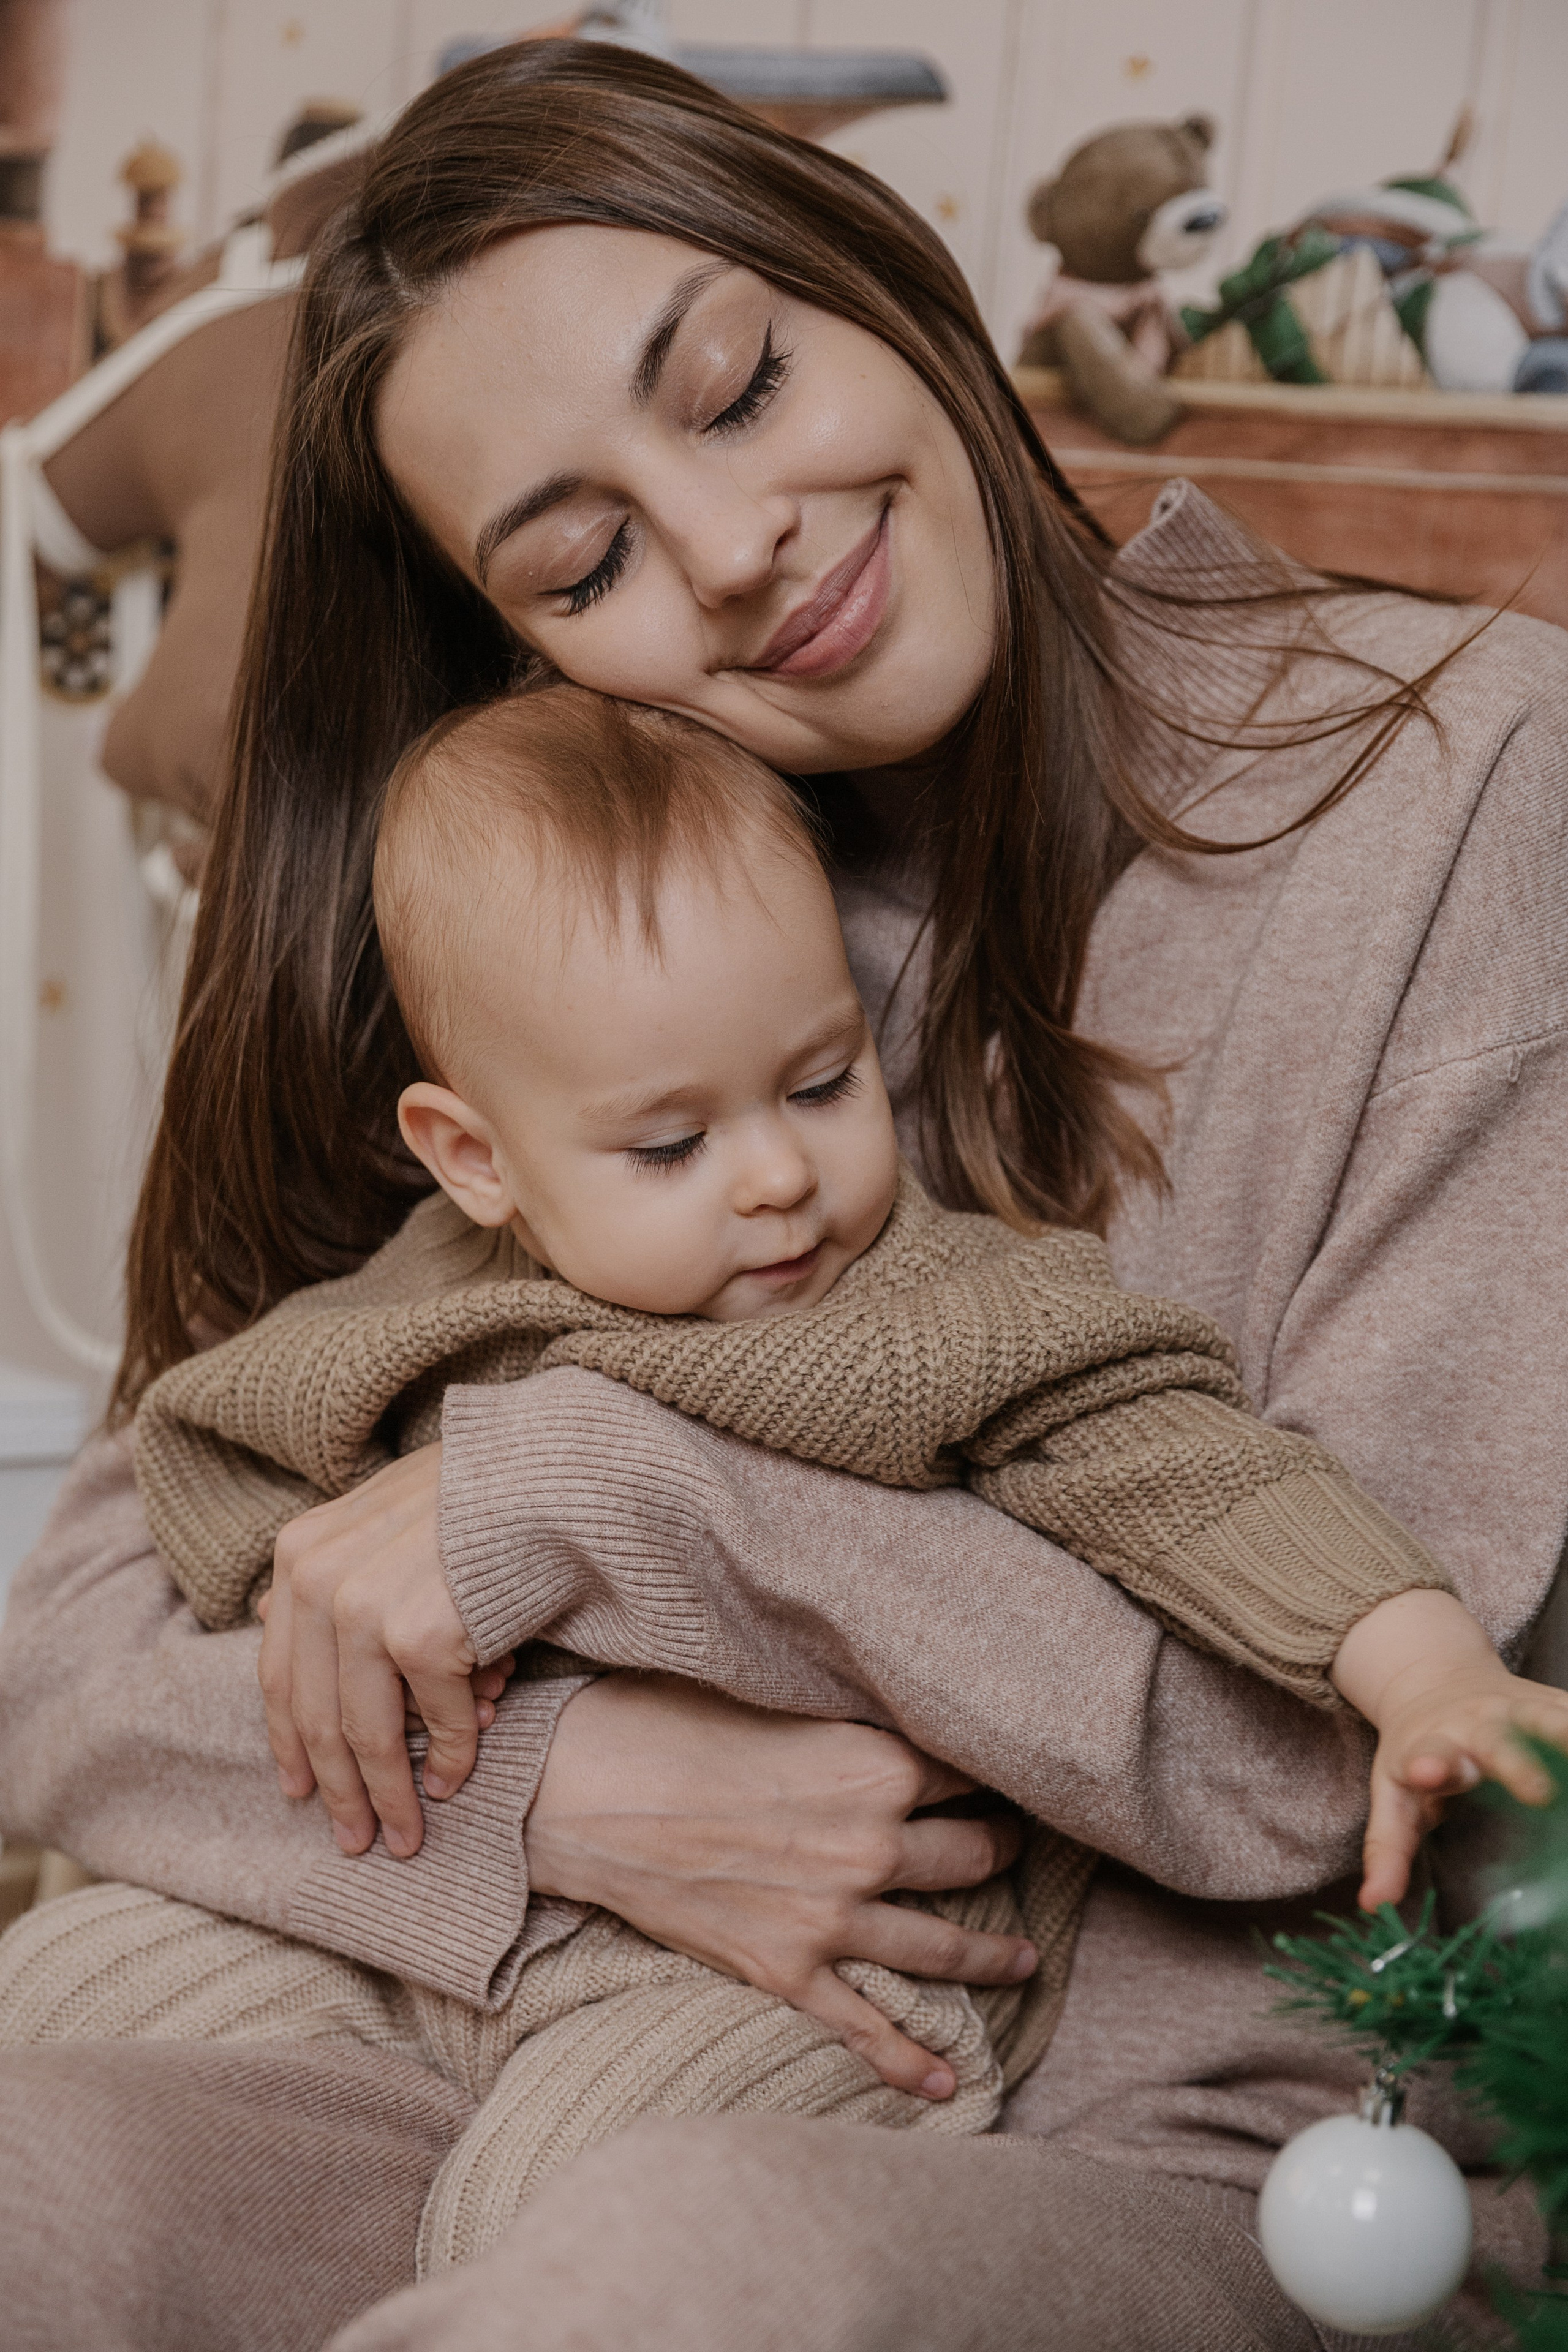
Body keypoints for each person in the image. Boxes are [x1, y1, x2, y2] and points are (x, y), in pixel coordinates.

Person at [0, 38, 1564, 2352]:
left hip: (1220, 2167)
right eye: (588, 561)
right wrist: (555, 1794)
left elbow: (1314, 1757)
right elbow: (72, 1649)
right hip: (528, 2016)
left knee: (679, 2266)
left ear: (880, 281)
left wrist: (612, 1503)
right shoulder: (591, 915)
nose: (734, 547)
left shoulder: (1463, 781)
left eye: (737, 387)